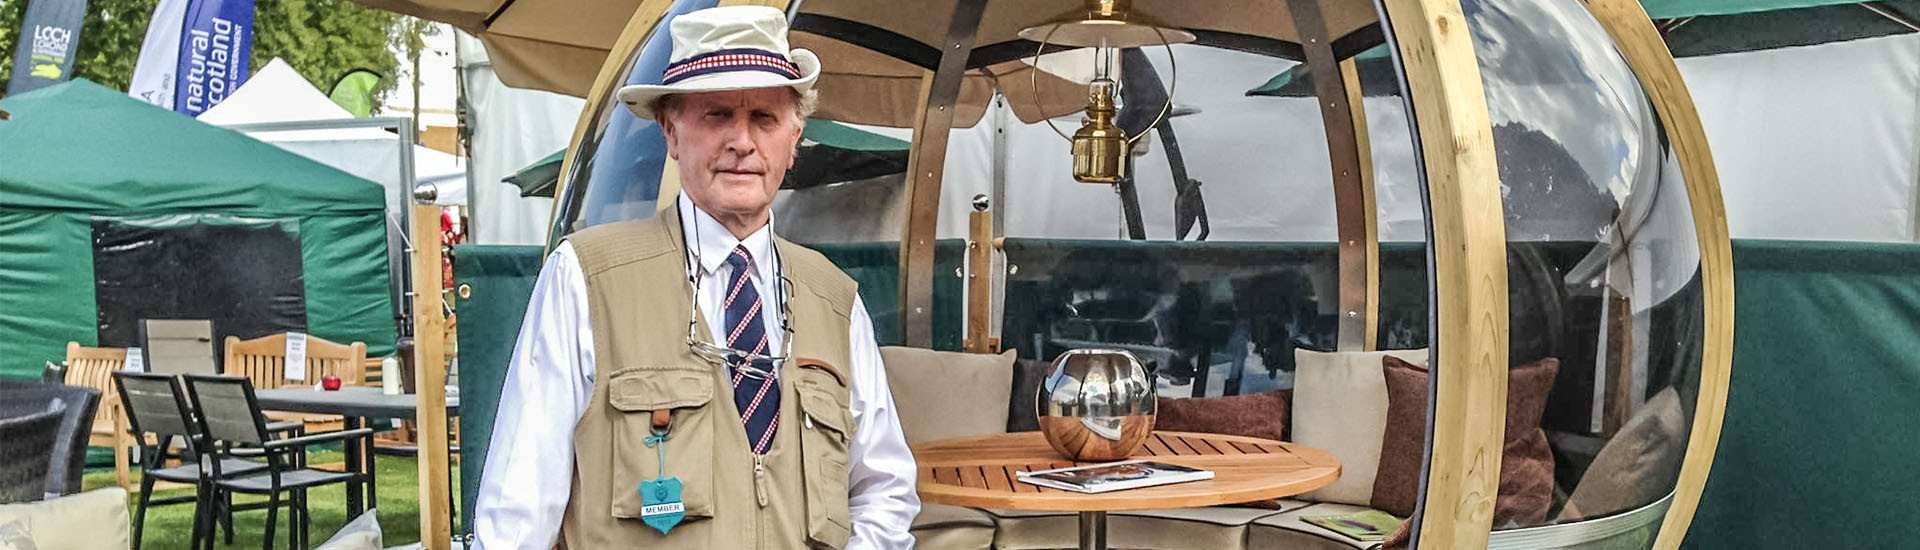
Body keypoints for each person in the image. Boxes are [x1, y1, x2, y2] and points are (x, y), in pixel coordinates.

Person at [470, 6, 920, 549]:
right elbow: (517, 510)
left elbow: (884, 490)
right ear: (671, 130)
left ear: (794, 138)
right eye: (716, 114)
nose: (741, 141)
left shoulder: (835, 299)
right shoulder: (586, 279)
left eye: (764, 118)